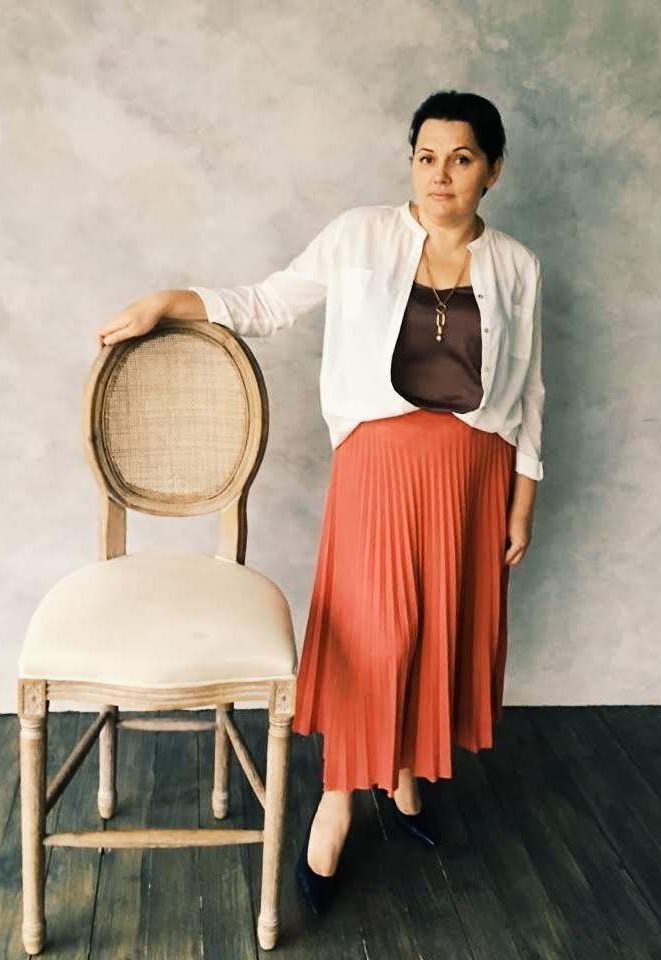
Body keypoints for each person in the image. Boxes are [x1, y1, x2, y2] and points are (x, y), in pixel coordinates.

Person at [97, 89, 546, 918]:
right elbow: (268, 302)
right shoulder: (359, 236)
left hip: (476, 472)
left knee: (437, 631)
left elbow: (530, 392)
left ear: (493, 170)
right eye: (426, 157)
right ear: (410, 162)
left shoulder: (517, 265)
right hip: (379, 464)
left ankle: (405, 775)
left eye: (461, 159)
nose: (440, 175)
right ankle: (338, 800)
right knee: (376, 634)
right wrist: (169, 300)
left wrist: (523, 498)